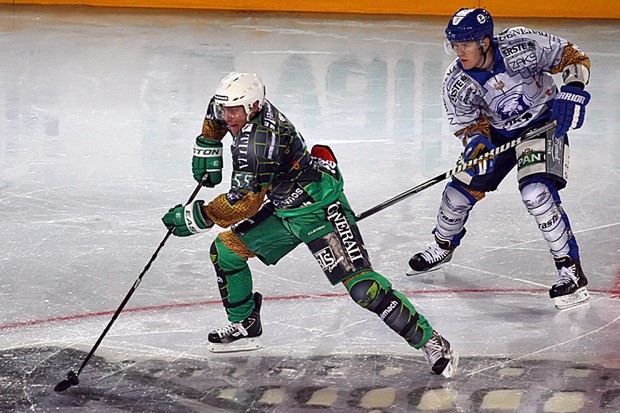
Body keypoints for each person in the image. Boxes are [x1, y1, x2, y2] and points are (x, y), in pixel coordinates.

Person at [161, 72, 458, 377]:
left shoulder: (258, 143)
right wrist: (208, 145)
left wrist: (198, 217)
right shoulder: (234, 107)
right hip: (283, 206)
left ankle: (431, 341)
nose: (227, 116)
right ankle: (245, 323)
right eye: (226, 109)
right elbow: (214, 112)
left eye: (233, 111)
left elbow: (245, 202)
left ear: (252, 107)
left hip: (318, 208)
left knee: (363, 289)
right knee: (226, 252)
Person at [408, 8, 591, 310]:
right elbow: (467, 123)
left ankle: (570, 269)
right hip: (497, 134)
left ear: (484, 41)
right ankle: (442, 245)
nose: (458, 51)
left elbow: (572, 56)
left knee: (536, 192)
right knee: (456, 194)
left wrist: (572, 89)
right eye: (454, 45)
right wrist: (476, 142)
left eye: (465, 44)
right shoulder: (456, 81)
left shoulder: (522, 44)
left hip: (543, 123)